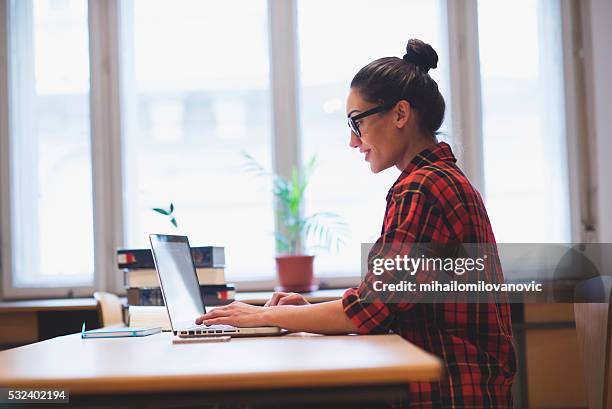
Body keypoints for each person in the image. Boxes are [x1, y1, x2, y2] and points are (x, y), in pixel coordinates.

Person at [196, 39, 516, 408]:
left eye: (357, 123)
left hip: (450, 390)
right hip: (462, 382)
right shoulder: (438, 178)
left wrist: (267, 315)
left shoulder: (422, 188)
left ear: (400, 114)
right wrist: (301, 314)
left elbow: (369, 310)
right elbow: (381, 302)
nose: (352, 141)